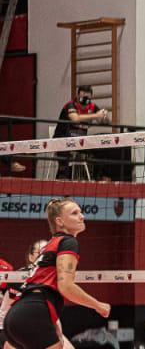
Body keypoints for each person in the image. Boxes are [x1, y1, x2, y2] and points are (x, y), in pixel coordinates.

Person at [3, 198, 111, 349]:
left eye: (80, 212)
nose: (82, 216)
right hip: (33, 311)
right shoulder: (68, 242)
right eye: (74, 213)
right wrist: (98, 305)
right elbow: (66, 286)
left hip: (15, 316)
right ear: (59, 221)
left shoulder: (51, 243)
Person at [53, 85, 108, 179]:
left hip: (80, 142)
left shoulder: (92, 106)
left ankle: (99, 178)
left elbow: (104, 121)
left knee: (102, 149)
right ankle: (62, 179)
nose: (85, 100)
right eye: (83, 97)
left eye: (87, 98)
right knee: (65, 158)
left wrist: (103, 116)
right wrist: (95, 115)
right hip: (62, 141)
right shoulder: (70, 105)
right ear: (77, 96)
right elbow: (75, 118)